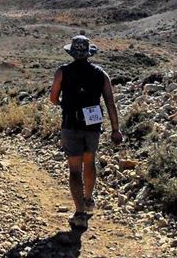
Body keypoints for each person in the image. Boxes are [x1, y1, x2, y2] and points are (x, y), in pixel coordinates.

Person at [50, 34, 123, 230]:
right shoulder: (101, 74)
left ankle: (80, 213)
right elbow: (110, 102)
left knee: (74, 169)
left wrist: (63, 104)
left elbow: (53, 98)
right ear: (89, 52)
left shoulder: (62, 72)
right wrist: (115, 129)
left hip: (71, 124)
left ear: (72, 52)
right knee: (89, 162)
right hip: (93, 125)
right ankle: (89, 199)